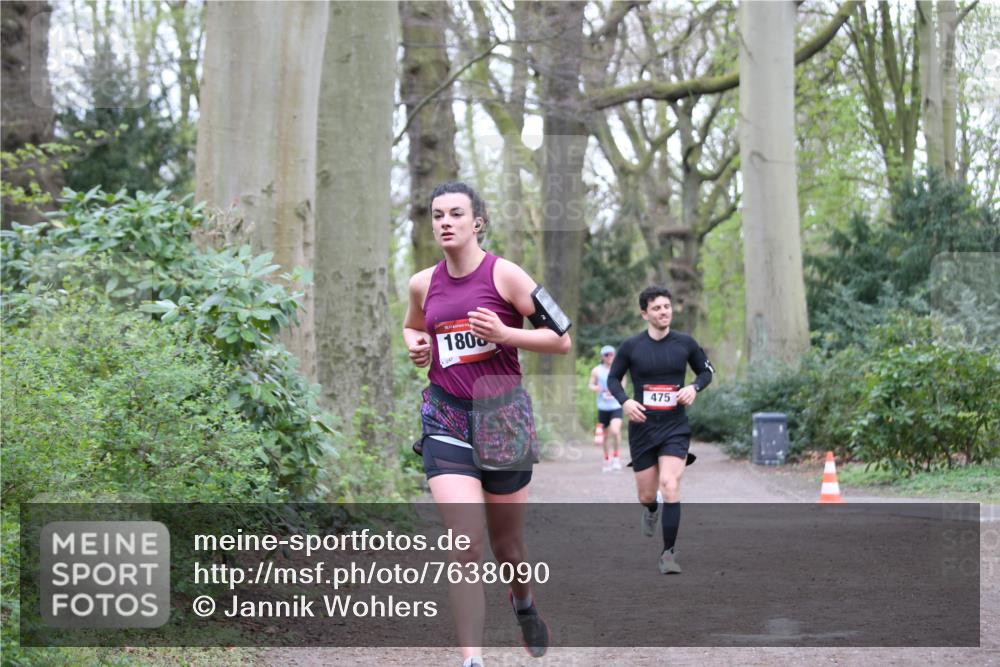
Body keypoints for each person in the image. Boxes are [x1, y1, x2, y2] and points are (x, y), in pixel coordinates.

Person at [402, 181, 572, 666]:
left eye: (456, 214)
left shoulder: (507, 276)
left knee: (507, 545)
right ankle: (472, 660)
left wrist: (504, 333)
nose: (446, 223)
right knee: (465, 544)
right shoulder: (422, 283)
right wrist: (414, 344)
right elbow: (414, 325)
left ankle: (523, 603)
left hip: (503, 419)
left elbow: (560, 338)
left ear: (477, 221)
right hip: (446, 415)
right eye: (438, 215)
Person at [606, 286, 714, 575]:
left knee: (670, 484)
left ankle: (668, 554)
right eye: (657, 308)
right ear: (645, 313)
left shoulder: (685, 343)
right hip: (642, 428)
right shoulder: (631, 346)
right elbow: (613, 380)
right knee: (646, 494)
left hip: (674, 427)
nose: (664, 311)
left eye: (667, 306)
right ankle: (651, 510)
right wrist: (626, 401)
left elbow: (707, 371)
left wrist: (694, 387)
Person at [588, 345, 624, 472]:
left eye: (611, 354)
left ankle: (616, 457)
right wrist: (597, 388)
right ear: (602, 357)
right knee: (605, 435)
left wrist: (615, 392)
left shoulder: (619, 369)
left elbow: (623, 385)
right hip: (603, 407)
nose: (609, 357)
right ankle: (607, 458)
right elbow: (591, 385)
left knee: (615, 431)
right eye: (606, 355)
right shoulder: (596, 370)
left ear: (615, 355)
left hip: (616, 406)